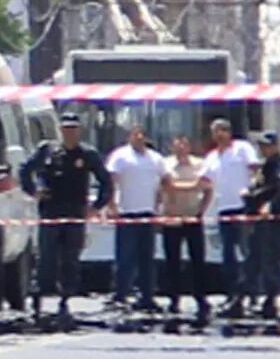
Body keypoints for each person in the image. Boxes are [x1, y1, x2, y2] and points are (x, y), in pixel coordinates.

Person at [20, 112, 112, 329]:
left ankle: (65, 300)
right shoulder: (47, 150)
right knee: (47, 257)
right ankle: (39, 300)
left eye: (73, 129)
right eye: (66, 129)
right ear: (60, 130)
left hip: (75, 211)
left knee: (71, 258)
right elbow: (25, 169)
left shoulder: (88, 154)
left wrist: (96, 207)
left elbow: (106, 182)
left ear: (79, 131)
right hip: (51, 211)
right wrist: (34, 191)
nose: (69, 133)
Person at [203, 118, 260, 317]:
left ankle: (252, 295)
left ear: (230, 132)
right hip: (223, 210)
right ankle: (232, 294)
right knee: (228, 256)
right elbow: (204, 182)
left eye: (224, 130)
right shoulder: (211, 157)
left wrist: (254, 194)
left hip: (242, 208)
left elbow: (256, 171)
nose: (220, 134)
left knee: (247, 253)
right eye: (216, 131)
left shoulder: (242, 148)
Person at [105, 126, 164, 314]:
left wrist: (159, 207)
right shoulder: (120, 156)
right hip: (126, 213)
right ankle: (120, 295)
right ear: (130, 137)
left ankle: (147, 296)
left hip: (148, 213)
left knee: (147, 258)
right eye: (135, 134)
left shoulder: (156, 158)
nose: (139, 137)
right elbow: (111, 181)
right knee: (125, 257)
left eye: (142, 135)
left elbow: (162, 184)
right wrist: (112, 205)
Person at [244, 131, 280, 320]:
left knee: (270, 261)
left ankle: (270, 301)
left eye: (267, 146)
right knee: (252, 260)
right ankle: (250, 298)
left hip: (273, 222)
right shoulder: (264, 168)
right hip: (258, 222)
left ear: (276, 146)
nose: (263, 149)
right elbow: (258, 189)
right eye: (261, 146)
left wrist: (271, 206)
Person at [160, 134, 212, 324]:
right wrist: (192, 187)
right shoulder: (165, 165)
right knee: (172, 261)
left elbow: (206, 188)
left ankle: (200, 298)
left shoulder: (200, 164)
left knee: (197, 260)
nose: (181, 147)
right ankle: (173, 299)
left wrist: (202, 211)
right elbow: (166, 187)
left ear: (189, 147)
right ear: (172, 147)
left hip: (193, 217)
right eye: (177, 145)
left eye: (184, 144)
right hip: (172, 217)